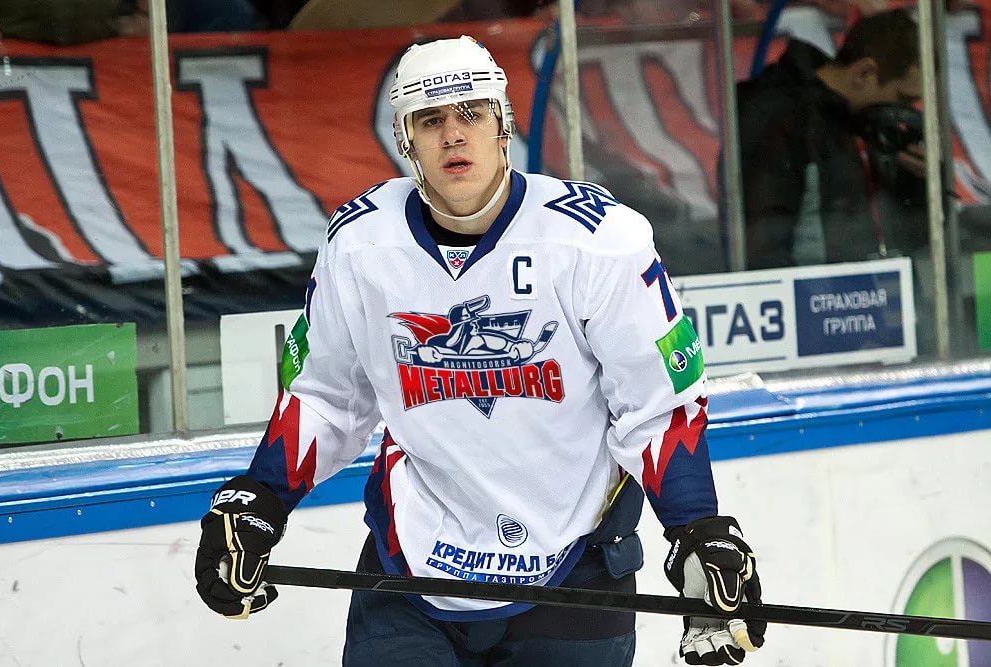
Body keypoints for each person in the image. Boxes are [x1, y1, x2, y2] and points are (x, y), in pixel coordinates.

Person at [195, 35, 765, 666]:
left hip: (574, 569)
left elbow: (657, 403)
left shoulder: (597, 239)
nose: (453, 135)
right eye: (430, 120)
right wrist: (260, 498)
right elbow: (325, 396)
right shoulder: (359, 243)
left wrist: (696, 528)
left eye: (471, 113)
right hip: (411, 565)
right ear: (405, 140)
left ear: (503, 126)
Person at [737, 8, 926, 269]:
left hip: (874, 287)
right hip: (817, 290)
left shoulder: (866, 124)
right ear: (864, 73)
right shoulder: (781, 117)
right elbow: (764, 243)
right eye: (902, 100)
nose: (903, 114)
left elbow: (914, 237)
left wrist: (917, 183)